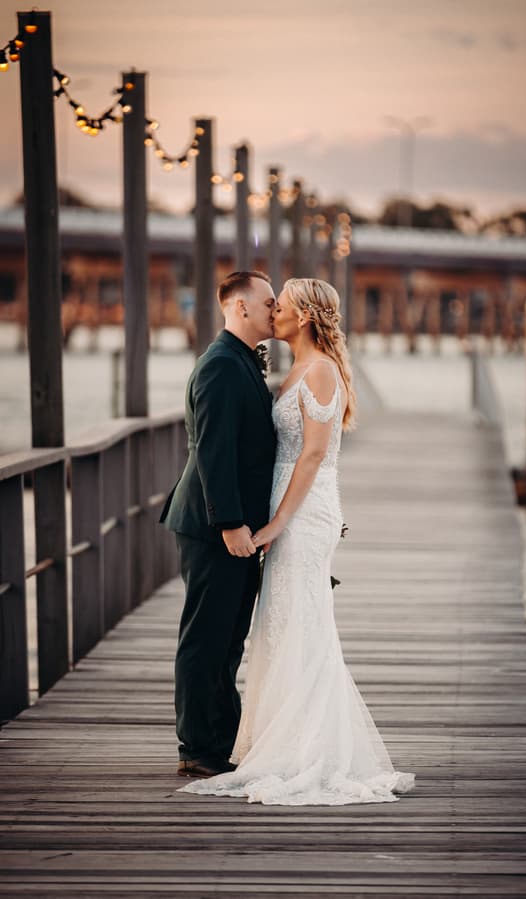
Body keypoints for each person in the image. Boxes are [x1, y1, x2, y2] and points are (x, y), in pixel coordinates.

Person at [178, 278, 415, 805]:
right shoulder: (266, 367)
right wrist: (247, 519)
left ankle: (300, 746)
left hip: (298, 516)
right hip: (275, 516)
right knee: (273, 625)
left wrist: (279, 522)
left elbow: (311, 455)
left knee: (297, 622)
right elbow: (232, 447)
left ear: (304, 316)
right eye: (269, 303)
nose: (274, 312)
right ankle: (246, 740)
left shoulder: (320, 370)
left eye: (280, 305)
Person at [160, 270, 277, 777]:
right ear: (240, 307)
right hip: (215, 528)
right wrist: (231, 523)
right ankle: (197, 747)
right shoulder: (221, 366)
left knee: (229, 636)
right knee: (207, 635)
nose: (277, 309)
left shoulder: (240, 361)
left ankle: (220, 736)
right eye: (269, 301)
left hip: (238, 527)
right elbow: (213, 451)